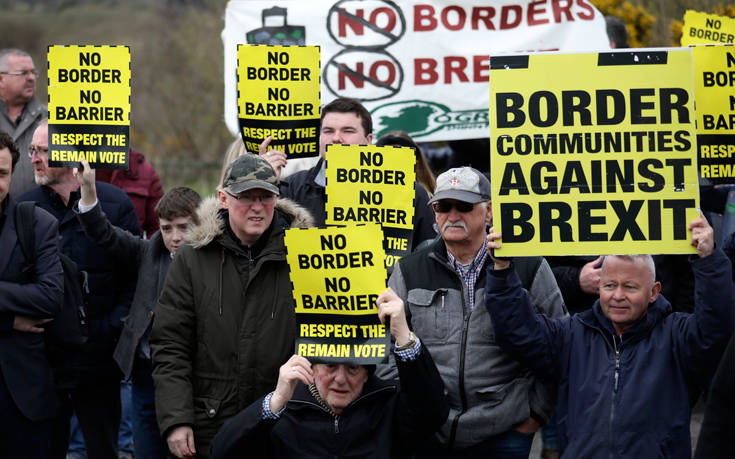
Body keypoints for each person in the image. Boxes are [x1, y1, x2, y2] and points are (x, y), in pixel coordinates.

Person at [485, 214, 735, 458]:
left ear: (653, 292)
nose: (617, 296)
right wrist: (502, 268)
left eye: (630, 287)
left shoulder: (677, 337)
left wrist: (709, 259)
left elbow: (717, 326)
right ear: (598, 287)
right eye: (609, 285)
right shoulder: (572, 334)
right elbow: (517, 333)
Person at [377, 166, 567, 458]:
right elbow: (385, 347)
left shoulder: (528, 266)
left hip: (505, 430)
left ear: (488, 212)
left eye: (464, 206)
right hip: (429, 431)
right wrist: (410, 405)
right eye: (443, 206)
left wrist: (535, 414)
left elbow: (561, 346)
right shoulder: (408, 269)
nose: (452, 215)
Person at [150, 154, 314, 459]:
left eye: (265, 196)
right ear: (224, 199)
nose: (256, 206)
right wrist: (176, 419)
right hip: (209, 427)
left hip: (283, 426)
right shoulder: (192, 258)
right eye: (246, 197)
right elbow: (170, 346)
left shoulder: (304, 256)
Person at [17, 121, 141, 459]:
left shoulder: (114, 203)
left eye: (42, 150)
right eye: (32, 150)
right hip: (46, 357)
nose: (34, 159)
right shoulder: (25, 208)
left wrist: (114, 326)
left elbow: (136, 275)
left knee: (103, 446)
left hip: (100, 356)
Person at [210, 287, 449, 459]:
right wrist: (275, 402)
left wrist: (404, 337)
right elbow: (221, 451)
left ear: (367, 373)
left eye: (353, 368)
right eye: (330, 367)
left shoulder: (388, 406)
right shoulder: (284, 413)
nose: (341, 379)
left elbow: (432, 413)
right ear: (311, 369)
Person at [73, 157, 201, 459]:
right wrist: (89, 191)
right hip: (144, 375)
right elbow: (104, 233)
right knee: (145, 449)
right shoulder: (150, 251)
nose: (175, 237)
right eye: (168, 228)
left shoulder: (211, 262)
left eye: (184, 227)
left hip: (189, 380)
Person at [260, 97, 436, 250]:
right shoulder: (291, 189)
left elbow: (429, 258)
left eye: (348, 131)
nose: (336, 138)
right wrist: (264, 184)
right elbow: (259, 244)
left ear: (368, 141)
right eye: (328, 131)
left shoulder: (409, 194)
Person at [0, 131, 63, 458]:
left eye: (2, 173)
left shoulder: (36, 223)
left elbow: (50, 297)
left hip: (24, 403)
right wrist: (11, 320)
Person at [0, 48, 46, 199]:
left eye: (33, 72)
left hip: (40, 217)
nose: (32, 78)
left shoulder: (50, 118)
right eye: (24, 73)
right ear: (1, 79)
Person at [95, 148, 164, 238]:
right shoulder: (76, 168)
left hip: (132, 249)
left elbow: (157, 227)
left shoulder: (145, 172)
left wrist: (148, 251)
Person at [376, 130, 436, 195]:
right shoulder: (368, 195)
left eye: (399, 159)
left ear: (415, 162)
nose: (392, 166)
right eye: (387, 158)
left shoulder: (426, 197)